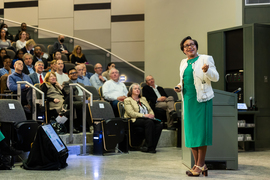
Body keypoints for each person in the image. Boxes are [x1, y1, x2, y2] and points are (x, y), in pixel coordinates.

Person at [174, 36, 219, 177]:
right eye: (186, 46)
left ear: (196, 46)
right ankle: (199, 164)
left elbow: (215, 77)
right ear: (183, 50)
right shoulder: (183, 62)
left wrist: (207, 71)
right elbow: (184, 80)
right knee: (191, 133)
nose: (189, 47)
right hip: (188, 100)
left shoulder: (206, 59)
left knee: (200, 132)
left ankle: (200, 164)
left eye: (192, 44)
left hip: (202, 100)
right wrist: (179, 86)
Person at [124, 83, 162, 153]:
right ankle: (148, 146)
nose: (137, 90)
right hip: (134, 119)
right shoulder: (127, 100)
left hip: (146, 119)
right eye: (135, 88)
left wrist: (151, 115)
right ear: (131, 91)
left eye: (138, 89)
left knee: (159, 125)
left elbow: (150, 109)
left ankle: (152, 146)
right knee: (149, 122)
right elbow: (131, 113)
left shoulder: (143, 99)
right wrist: (144, 116)